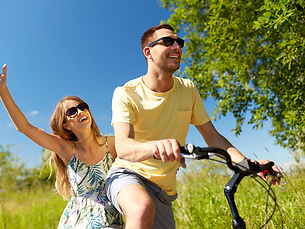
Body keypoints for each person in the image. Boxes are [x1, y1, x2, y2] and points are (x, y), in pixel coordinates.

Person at [105, 24, 282, 229]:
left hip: (163, 189)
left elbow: (211, 135)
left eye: (179, 42)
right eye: (168, 41)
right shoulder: (126, 93)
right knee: (142, 208)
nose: (177, 47)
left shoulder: (188, 89)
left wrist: (246, 163)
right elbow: (124, 147)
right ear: (148, 52)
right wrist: (156, 146)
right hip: (127, 173)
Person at [0, 57, 124, 229]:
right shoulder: (66, 149)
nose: (80, 111)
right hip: (78, 223)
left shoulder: (113, 144)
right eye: (72, 111)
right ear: (66, 125)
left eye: (82, 106)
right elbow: (24, 127)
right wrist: (2, 91)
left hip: (110, 220)